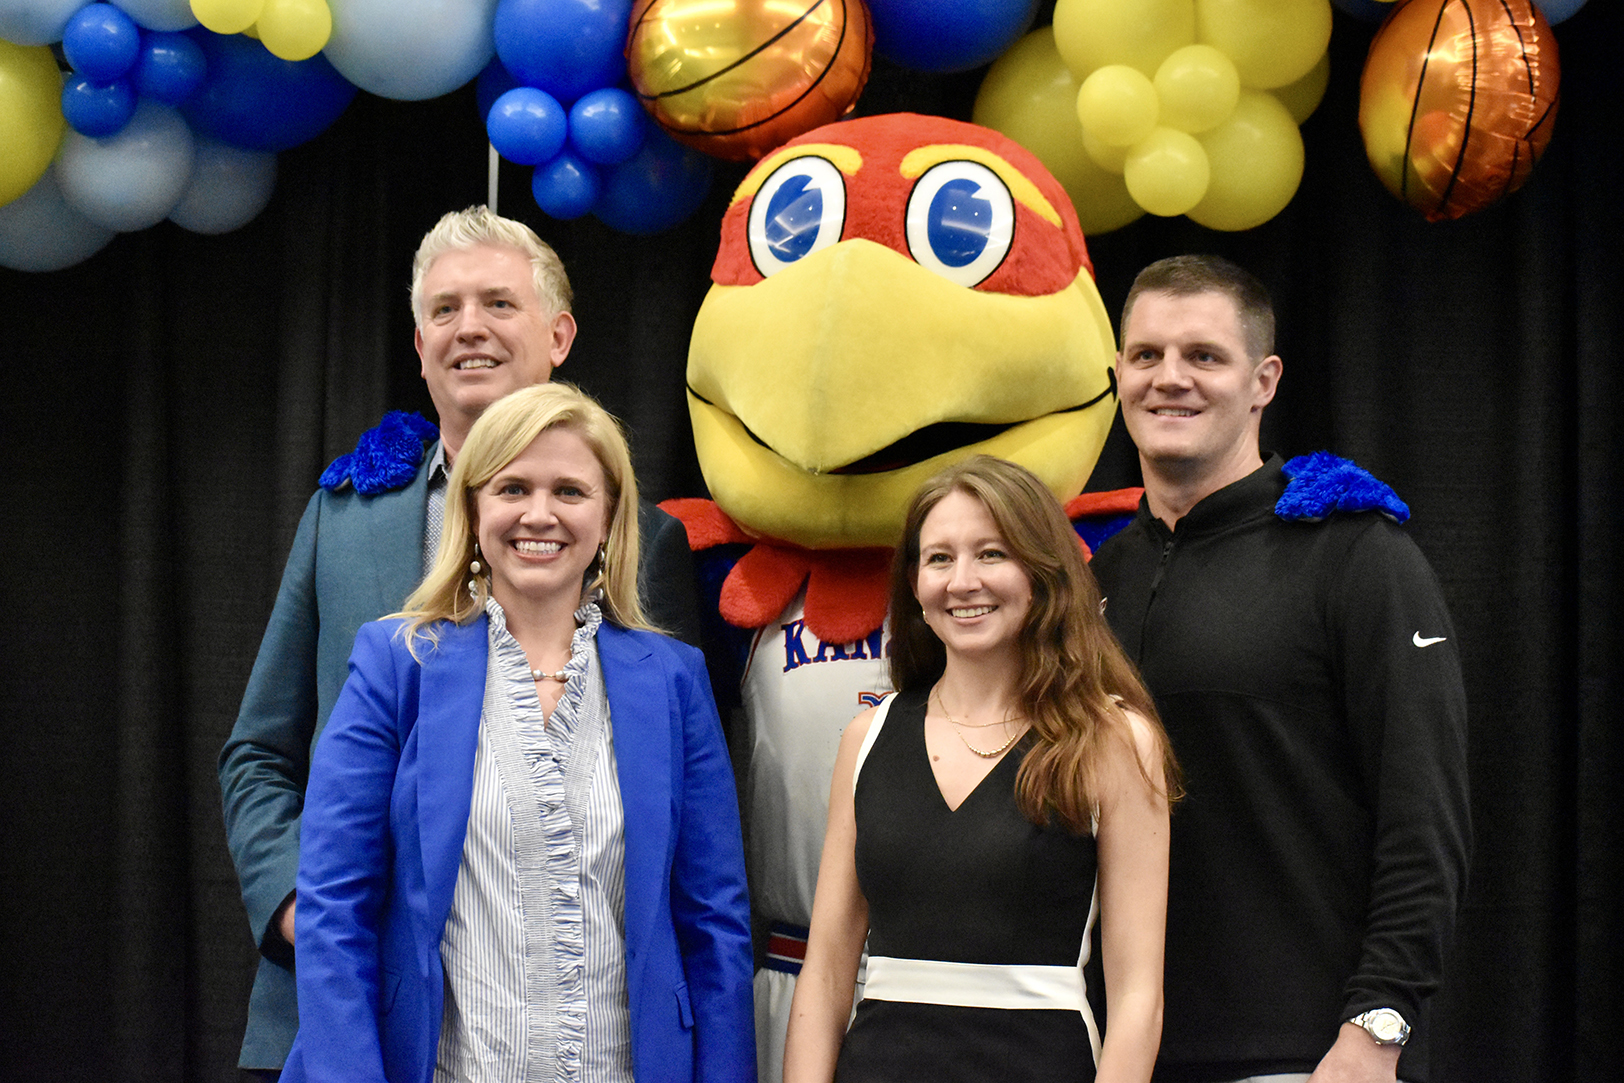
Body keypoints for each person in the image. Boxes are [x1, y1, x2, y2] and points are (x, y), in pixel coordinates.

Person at [219, 205, 702, 1074]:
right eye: (444, 310)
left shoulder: (645, 543)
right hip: (343, 1005)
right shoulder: (343, 516)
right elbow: (259, 750)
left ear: (559, 334)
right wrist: (305, 905)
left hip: (562, 1015)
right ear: (417, 343)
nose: (468, 327)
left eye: (497, 304)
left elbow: (678, 800)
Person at [281, 382, 755, 1083]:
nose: (540, 513)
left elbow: (716, 930)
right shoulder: (396, 665)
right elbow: (333, 909)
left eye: (569, 490)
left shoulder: (674, 680)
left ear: (609, 517)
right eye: (513, 488)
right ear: (473, 509)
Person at [1090, 255, 1470, 1083]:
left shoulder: (1358, 557)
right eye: (1147, 355)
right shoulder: (1098, 578)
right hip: (1118, 1051)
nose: (1169, 379)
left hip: (1306, 1055)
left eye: (1204, 356)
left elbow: (1425, 823)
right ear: (1115, 372)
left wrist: (1377, 1029)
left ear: (1263, 380)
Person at [783, 455, 1180, 1083]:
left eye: (991, 553)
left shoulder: (1114, 742)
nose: (962, 581)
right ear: (913, 583)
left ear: (1043, 572)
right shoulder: (867, 738)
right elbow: (827, 972)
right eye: (939, 558)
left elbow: (1138, 999)